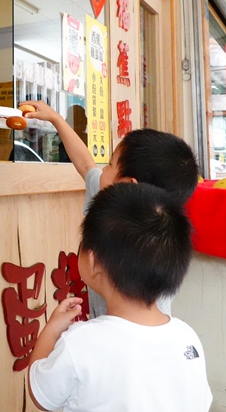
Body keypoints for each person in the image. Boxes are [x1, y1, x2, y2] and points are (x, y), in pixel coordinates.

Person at [27, 182, 212, 412]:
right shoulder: (188, 338)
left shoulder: (80, 343)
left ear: (93, 261)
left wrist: (53, 329)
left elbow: (42, 396)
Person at [21, 100, 198, 317]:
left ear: (127, 185)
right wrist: (56, 119)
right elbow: (86, 165)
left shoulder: (149, 249)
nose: (102, 170)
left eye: (110, 164)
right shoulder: (113, 195)